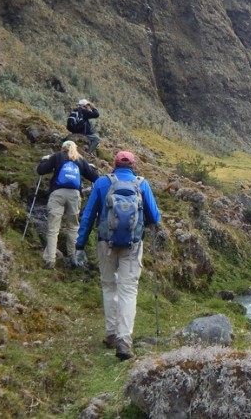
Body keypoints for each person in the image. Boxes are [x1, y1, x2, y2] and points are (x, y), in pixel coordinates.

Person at [75, 150, 161, 361]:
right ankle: (124, 340)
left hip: (106, 242)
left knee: (108, 285)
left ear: (114, 164)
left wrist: (80, 244)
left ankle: (111, 333)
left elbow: (88, 216)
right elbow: (155, 217)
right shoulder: (142, 184)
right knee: (128, 290)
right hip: (133, 245)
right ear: (133, 166)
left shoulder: (103, 183)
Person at [36, 140, 99, 269]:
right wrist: (91, 168)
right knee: (73, 227)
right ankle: (73, 257)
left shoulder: (57, 156)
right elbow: (94, 177)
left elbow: (41, 171)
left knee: (53, 228)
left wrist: (44, 160)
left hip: (57, 194)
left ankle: (50, 260)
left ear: (63, 148)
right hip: (74, 196)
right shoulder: (80, 160)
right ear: (75, 148)